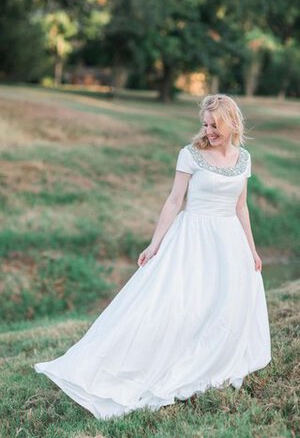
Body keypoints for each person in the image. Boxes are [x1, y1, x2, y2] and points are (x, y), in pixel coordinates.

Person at [34, 94, 271, 420]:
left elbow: (241, 206)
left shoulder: (244, 158)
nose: (209, 130)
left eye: (215, 124)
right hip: (193, 237)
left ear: (231, 123)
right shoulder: (190, 155)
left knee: (224, 303)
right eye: (205, 123)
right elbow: (174, 201)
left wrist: (252, 249)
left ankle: (216, 360)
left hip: (228, 239)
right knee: (179, 302)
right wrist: (154, 244)